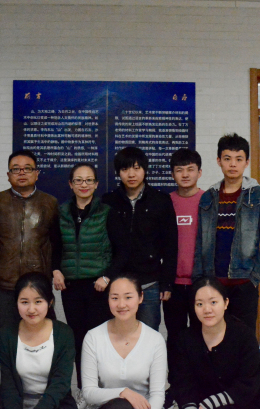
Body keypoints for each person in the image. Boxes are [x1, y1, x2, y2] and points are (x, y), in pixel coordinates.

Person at [52, 162, 127, 396]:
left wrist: (107, 276)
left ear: (96, 184)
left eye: (88, 180)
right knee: (78, 339)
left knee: (99, 340)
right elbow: (54, 247)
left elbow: (123, 251)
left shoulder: (106, 212)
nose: (83, 184)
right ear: (70, 184)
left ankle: (103, 390)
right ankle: (85, 391)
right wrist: (55, 270)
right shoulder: (61, 212)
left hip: (98, 287)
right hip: (71, 287)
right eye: (78, 180)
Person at [193, 133, 260, 330]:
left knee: (244, 337)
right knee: (212, 337)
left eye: (239, 159)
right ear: (219, 161)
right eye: (227, 158)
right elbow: (200, 241)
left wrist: (254, 278)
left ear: (246, 162)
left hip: (244, 284)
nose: (233, 164)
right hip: (213, 283)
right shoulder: (208, 197)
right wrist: (199, 280)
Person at [102, 147, 178, 331]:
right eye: (125, 169)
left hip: (149, 281)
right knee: (117, 333)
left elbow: (170, 245)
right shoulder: (109, 201)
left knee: (148, 334)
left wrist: (167, 283)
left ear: (145, 170)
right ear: (118, 172)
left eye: (136, 168)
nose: (131, 174)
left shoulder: (161, 200)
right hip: (117, 281)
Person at [173, 277, 260, 409]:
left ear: (226, 303)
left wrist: (211, 403)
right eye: (199, 304)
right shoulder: (185, 339)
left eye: (213, 302)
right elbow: (183, 382)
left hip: (244, 402)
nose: (207, 310)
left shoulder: (244, 336)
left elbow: (249, 382)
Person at [0, 150, 61, 334]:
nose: (21, 173)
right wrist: (2, 260)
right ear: (8, 175)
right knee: (5, 334)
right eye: (16, 169)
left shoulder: (50, 203)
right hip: (3, 283)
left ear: (37, 173)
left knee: (42, 333)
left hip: (38, 282)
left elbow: (56, 241)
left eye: (27, 169)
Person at [81, 274, 167, 409]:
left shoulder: (155, 340)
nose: (121, 304)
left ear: (141, 297)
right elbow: (89, 392)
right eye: (115, 298)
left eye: (128, 297)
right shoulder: (93, 337)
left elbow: (157, 395)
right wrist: (123, 393)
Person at [0, 272, 77, 409]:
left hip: (55, 405)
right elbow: (6, 385)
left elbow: (61, 383)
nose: (31, 309)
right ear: (16, 303)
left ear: (50, 302)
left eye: (38, 302)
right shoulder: (5, 335)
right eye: (24, 302)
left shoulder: (64, 333)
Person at [163, 148, 204, 405]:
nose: (185, 174)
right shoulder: (165, 202)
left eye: (190, 169)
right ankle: (176, 386)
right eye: (179, 170)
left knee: (201, 336)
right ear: (172, 174)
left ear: (200, 172)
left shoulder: (208, 201)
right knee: (176, 338)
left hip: (201, 283)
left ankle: (201, 386)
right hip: (173, 284)